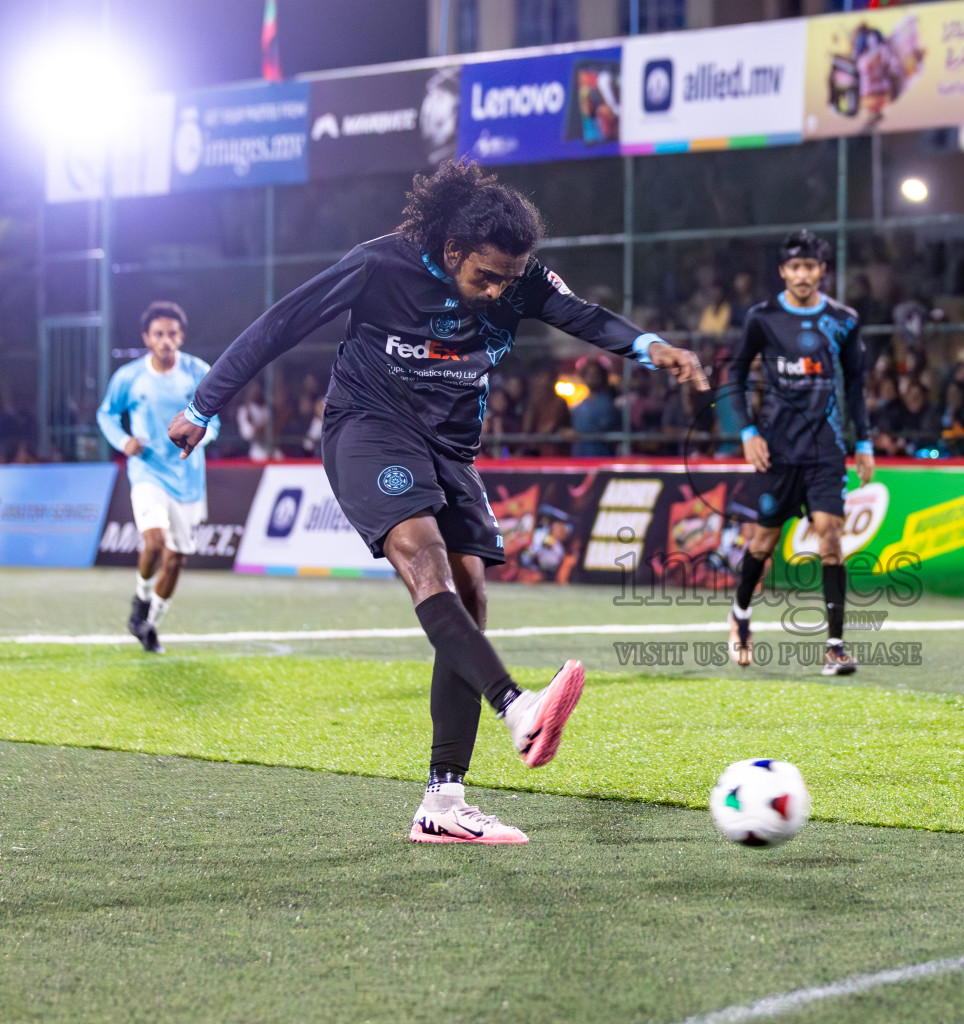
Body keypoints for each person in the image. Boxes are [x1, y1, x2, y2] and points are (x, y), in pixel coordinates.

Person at [167, 160, 706, 844]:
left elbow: (583, 315)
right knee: (423, 559)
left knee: (472, 593)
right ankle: (518, 707)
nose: (499, 289)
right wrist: (203, 405)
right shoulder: (379, 265)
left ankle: (443, 804)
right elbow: (282, 324)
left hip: (450, 446)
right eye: (487, 274)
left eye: (511, 277)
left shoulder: (520, 279)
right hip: (368, 426)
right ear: (453, 249)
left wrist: (653, 347)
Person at [727, 230, 873, 676]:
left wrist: (863, 442)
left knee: (831, 537)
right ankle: (741, 616)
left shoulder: (844, 320)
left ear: (822, 271)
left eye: (810, 266)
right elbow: (735, 372)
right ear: (783, 272)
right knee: (764, 542)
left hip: (825, 450)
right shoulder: (763, 318)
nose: (803, 274)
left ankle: (835, 648)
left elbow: (854, 385)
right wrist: (748, 431)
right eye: (795, 267)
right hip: (777, 450)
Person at [96, 301, 220, 654]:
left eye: (172, 334)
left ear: (181, 336)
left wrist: (200, 438)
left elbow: (215, 422)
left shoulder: (198, 372)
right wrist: (124, 441)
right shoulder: (129, 377)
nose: (166, 340)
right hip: (147, 471)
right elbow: (106, 414)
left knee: (177, 558)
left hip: (187, 475)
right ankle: (140, 599)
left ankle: (151, 624)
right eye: (158, 334)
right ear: (147, 338)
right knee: (154, 542)